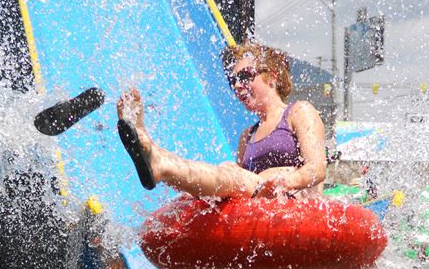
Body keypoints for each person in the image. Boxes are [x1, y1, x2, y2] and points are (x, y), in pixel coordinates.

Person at [117, 43, 327, 199]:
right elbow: (233, 185)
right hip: (259, 205)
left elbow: (317, 168)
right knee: (218, 182)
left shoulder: (299, 112)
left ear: (271, 76)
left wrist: (287, 180)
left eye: (244, 76)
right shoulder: (248, 135)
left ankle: (160, 162)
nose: (236, 86)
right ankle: (154, 153)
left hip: (296, 206)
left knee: (237, 176)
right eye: (232, 81)